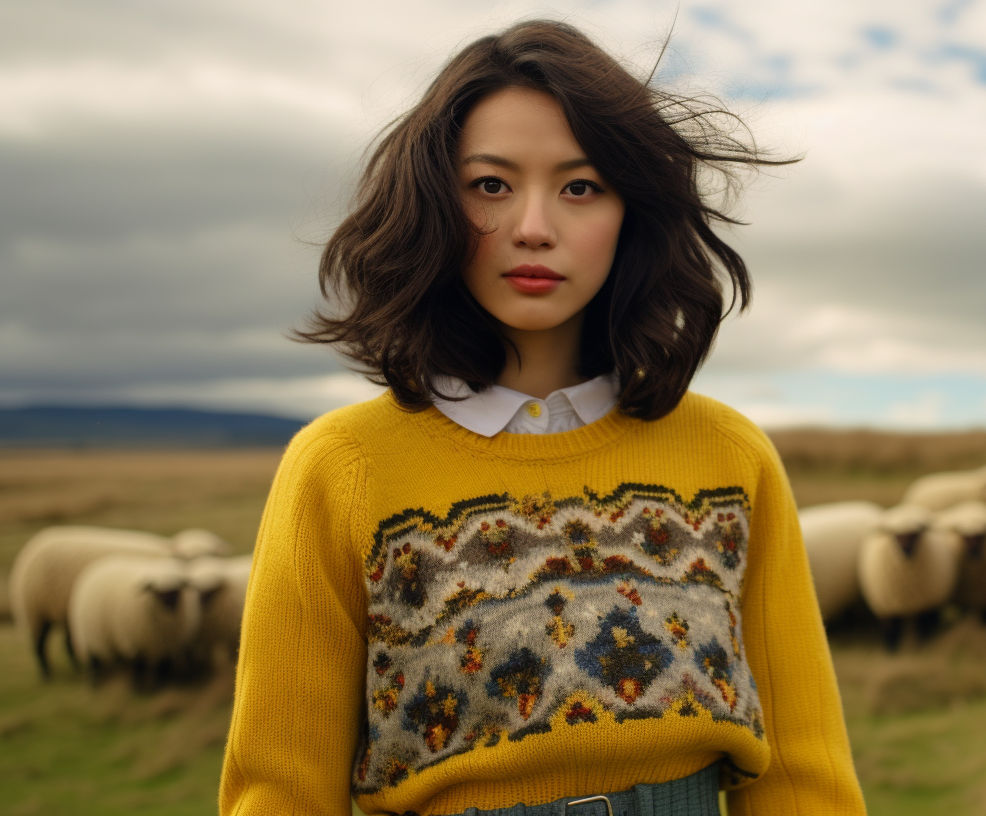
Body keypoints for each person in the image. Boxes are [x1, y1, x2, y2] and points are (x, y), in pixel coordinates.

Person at [219, 19, 865, 816]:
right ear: (434, 203)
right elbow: (280, 796)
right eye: (490, 184)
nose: (533, 226)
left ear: (631, 212)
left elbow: (807, 782)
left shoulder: (728, 457)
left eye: (580, 186)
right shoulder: (342, 469)